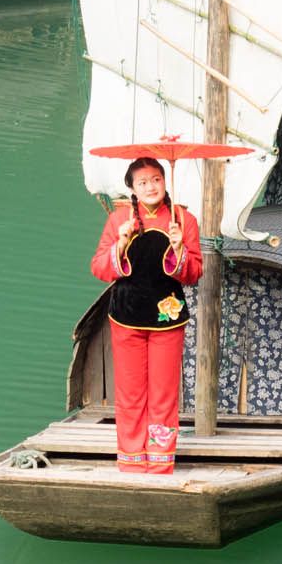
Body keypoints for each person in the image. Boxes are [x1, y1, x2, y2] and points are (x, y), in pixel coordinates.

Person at [90, 158, 203, 475]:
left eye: (156, 179)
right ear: (132, 188)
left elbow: (194, 273)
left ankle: (160, 462)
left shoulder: (184, 220)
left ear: (165, 181)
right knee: (130, 393)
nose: (151, 187)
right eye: (143, 182)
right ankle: (131, 460)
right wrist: (121, 243)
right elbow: (99, 268)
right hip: (126, 316)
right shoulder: (119, 219)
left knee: (163, 393)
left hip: (167, 318)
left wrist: (179, 249)